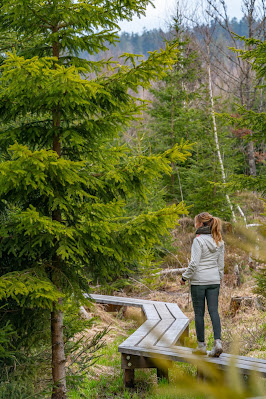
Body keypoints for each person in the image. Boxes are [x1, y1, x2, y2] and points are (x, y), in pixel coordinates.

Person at [180, 212, 224, 357]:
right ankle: (218, 342)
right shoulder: (219, 240)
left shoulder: (198, 241)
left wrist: (184, 278)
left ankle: (201, 347)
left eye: (195, 222)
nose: (194, 224)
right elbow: (221, 266)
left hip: (199, 282)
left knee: (199, 313)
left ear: (200, 224)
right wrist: (218, 279)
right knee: (214, 311)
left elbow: (194, 264)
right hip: (214, 281)